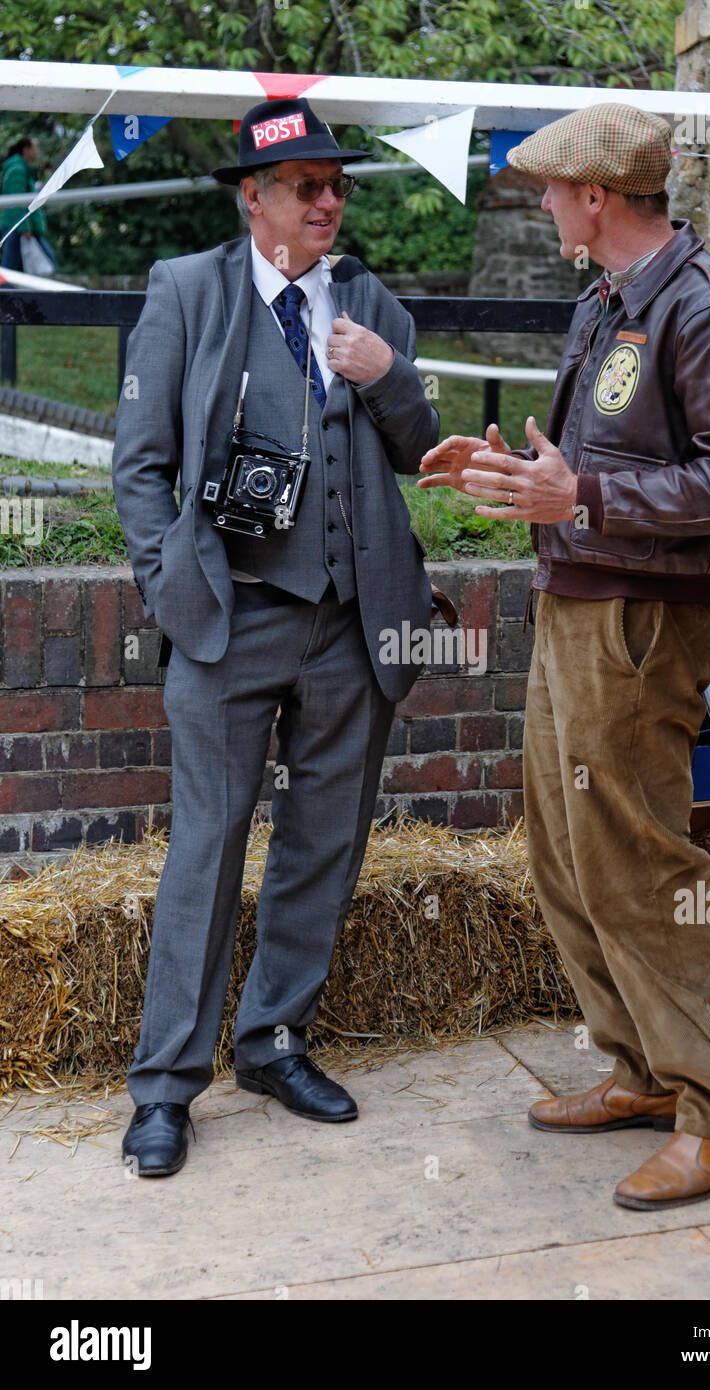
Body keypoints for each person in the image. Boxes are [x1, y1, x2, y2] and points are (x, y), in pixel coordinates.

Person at [419, 103, 710, 1211]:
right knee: (570, 856)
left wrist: (581, 495)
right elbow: (575, 467)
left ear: (594, 195)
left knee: (638, 864)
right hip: (576, 602)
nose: (539, 206)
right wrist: (495, 469)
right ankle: (637, 1072)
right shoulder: (608, 304)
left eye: (548, 189)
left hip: (638, 623)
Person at [113, 97, 439, 1177]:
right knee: (205, 850)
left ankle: (273, 1040)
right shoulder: (187, 293)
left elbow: (420, 445)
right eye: (305, 185)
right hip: (228, 619)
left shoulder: (367, 301)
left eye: (334, 184)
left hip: (351, 620)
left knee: (323, 841)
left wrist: (382, 377)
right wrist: (170, 586)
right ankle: (165, 1086)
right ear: (253, 198)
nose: (327, 201)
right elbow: (140, 463)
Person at [1, 136, 54, 274]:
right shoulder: (18, 170)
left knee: (10, 269)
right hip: (18, 226)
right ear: (26, 150)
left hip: (19, 226)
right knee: (9, 270)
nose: (38, 151)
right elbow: (17, 201)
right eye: (35, 147)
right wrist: (24, 229)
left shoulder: (21, 168)